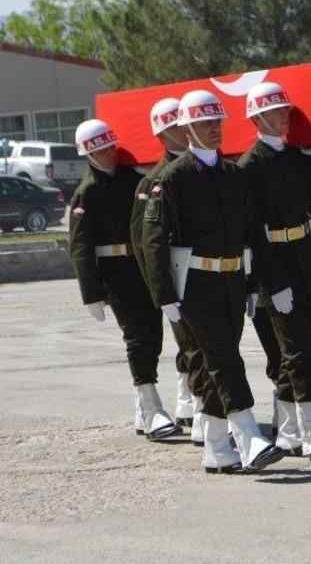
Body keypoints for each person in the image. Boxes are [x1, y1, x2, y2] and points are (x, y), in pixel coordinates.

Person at [142, 90, 286, 473]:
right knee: (225, 359)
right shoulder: (171, 179)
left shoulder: (233, 175)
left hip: (232, 281)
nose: (215, 128)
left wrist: (252, 286)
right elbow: (153, 239)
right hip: (195, 285)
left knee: (213, 366)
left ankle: (217, 449)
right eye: (206, 123)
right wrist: (164, 294)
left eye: (217, 121)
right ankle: (249, 436)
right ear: (187, 128)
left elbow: (251, 233)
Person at [236, 82, 311, 460]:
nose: (285, 115)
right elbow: (251, 233)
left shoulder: (297, 157)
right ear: (256, 117)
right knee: (298, 350)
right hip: (275, 266)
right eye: (275, 111)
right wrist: (273, 282)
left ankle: (287, 433)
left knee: (297, 349)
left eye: (285, 109)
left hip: (303, 261)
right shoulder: (249, 166)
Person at [69, 119, 181, 442]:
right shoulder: (87, 192)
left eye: (110, 145)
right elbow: (80, 247)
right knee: (138, 337)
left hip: (141, 267)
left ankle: (142, 410)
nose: (109, 152)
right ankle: (152, 406)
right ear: (88, 153)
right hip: (114, 274)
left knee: (154, 336)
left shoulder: (132, 179)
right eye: (101, 149)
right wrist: (91, 293)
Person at [129, 98, 200, 436]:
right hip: (176, 275)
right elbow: (143, 242)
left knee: (197, 343)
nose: (183, 131)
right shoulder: (154, 181)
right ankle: (202, 411)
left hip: (203, 270)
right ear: (161, 135)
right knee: (192, 342)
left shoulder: (200, 169)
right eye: (175, 127)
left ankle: (187, 403)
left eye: (185, 124)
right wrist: (161, 291)